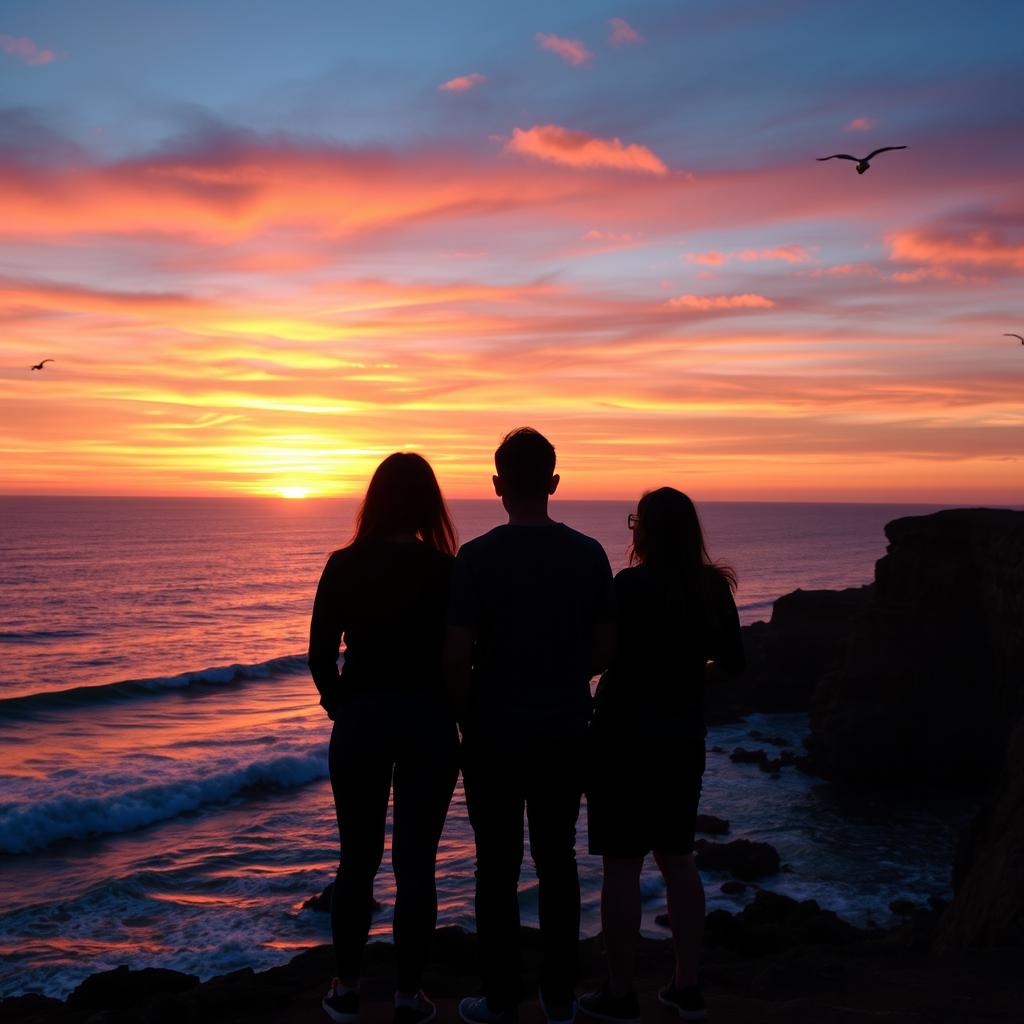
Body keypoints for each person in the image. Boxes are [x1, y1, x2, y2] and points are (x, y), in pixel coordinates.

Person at [446, 428, 614, 1024]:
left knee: (496, 865)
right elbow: (604, 649)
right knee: (557, 860)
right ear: (554, 483)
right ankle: (560, 997)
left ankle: (498, 1001)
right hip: (566, 728)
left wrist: (468, 714)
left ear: (497, 486)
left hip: (493, 732)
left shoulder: (476, 558)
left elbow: (455, 654)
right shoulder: (590, 554)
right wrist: (566, 673)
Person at [580, 488, 744, 1024]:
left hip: (621, 737)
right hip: (681, 737)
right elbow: (734, 664)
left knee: (621, 866)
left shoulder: (628, 586)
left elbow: (598, 654)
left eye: (635, 522)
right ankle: (686, 986)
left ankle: (621, 993)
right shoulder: (712, 588)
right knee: (679, 860)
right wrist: (690, 679)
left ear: (644, 529)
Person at [309, 453, 460, 1024]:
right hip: (428, 721)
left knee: (358, 860)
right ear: (428, 503)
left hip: (363, 720)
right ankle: (406, 996)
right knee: (416, 863)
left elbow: (321, 656)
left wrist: (341, 707)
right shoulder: (448, 570)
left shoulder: (344, 564)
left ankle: (345, 989)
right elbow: (461, 655)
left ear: (374, 500)